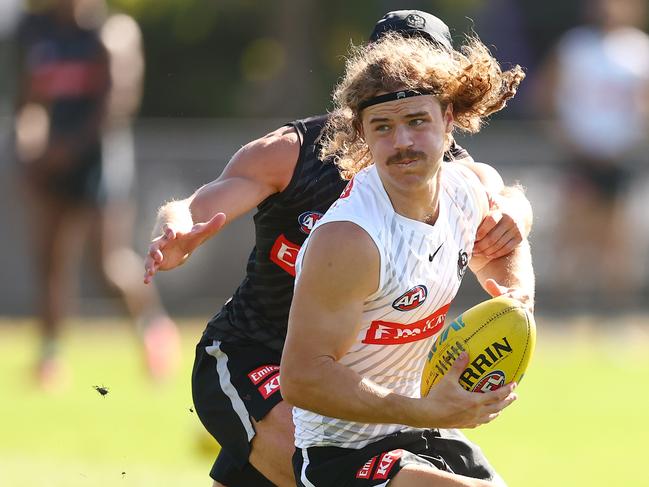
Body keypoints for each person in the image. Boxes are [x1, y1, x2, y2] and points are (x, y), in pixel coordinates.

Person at [145, 11, 533, 487]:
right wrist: (179, 230)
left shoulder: (450, 171)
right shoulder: (296, 152)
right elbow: (197, 205)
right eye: (385, 114)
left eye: (418, 105)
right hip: (257, 352)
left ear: (444, 103)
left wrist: (517, 252)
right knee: (299, 454)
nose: (403, 134)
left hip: (368, 381)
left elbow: (502, 217)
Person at [280, 32, 534, 487]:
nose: (402, 142)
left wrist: (517, 301)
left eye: (418, 121)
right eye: (383, 127)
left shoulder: (464, 191)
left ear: (448, 119)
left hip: (424, 433)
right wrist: (421, 408)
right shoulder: (350, 240)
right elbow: (302, 378)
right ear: (362, 134)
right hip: (342, 456)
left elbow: (504, 242)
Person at [13, 0, 179, 388]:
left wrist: (68, 150)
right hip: (52, 160)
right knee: (50, 259)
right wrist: (30, 142)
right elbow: (30, 101)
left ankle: (153, 330)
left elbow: (116, 103)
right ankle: (50, 358)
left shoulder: (111, 34)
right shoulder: (43, 35)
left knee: (107, 265)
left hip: (96, 160)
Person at [536, 0, 649, 307]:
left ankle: (615, 309)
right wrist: (562, 133)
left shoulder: (638, 48)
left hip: (618, 154)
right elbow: (547, 89)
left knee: (616, 235)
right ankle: (563, 307)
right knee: (571, 232)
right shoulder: (575, 45)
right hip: (581, 153)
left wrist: (633, 136)